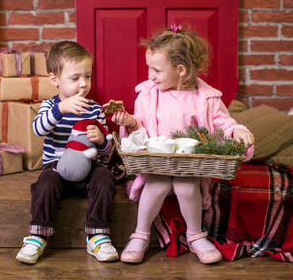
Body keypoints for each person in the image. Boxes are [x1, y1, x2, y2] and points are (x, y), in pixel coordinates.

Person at [111, 25, 255, 264]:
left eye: (156, 70)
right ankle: (141, 233)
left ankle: (196, 235)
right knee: (156, 185)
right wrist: (129, 121)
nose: (149, 75)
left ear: (180, 70)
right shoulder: (148, 94)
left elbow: (222, 122)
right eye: (149, 68)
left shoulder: (205, 98)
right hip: (158, 162)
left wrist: (237, 129)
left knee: (187, 188)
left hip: (190, 164)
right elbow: (141, 125)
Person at [16, 41, 119, 264]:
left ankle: (97, 234)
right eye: (75, 78)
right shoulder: (50, 105)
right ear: (55, 80)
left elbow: (106, 151)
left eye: (88, 76)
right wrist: (61, 109)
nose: (84, 84)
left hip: (89, 167)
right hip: (57, 168)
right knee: (44, 183)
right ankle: (37, 236)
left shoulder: (94, 108)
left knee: (105, 178)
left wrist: (101, 139)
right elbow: (38, 129)